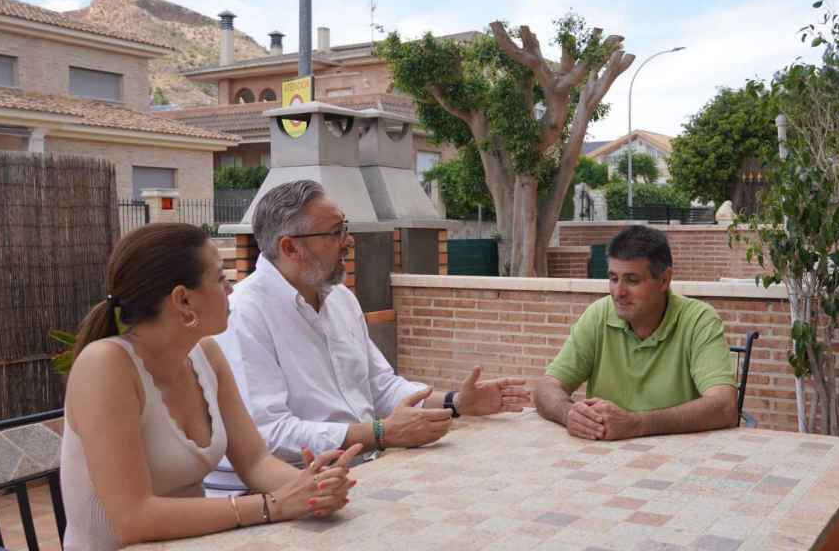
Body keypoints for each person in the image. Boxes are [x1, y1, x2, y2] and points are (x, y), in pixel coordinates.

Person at [61, 223, 362, 550]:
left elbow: (255, 461)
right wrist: (271, 505)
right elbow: (133, 518)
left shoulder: (206, 355)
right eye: (220, 278)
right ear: (183, 299)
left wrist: (311, 488)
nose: (231, 289)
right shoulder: (105, 366)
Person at [216, 180, 530, 468]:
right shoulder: (242, 314)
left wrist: (456, 402)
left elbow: (382, 389)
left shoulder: (340, 299)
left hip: (366, 471)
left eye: (345, 228)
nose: (348, 241)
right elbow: (268, 434)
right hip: (295, 491)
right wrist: (379, 433)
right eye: (335, 232)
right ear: (289, 248)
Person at [534, 225, 739, 440]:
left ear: (664, 280)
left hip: (678, 459)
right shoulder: (598, 315)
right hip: (603, 456)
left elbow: (724, 406)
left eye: (632, 280)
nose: (619, 292)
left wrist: (636, 424)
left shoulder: (699, 320)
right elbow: (546, 388)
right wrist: (570, 414)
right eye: (613, 278)